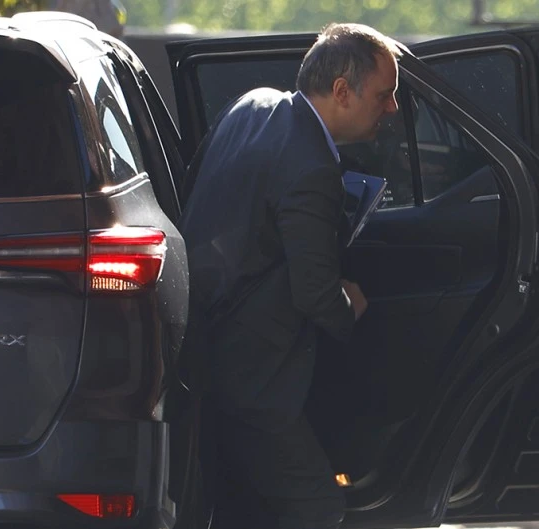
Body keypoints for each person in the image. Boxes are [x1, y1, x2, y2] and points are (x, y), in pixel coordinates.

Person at [178, 22, 401, 529]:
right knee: (316, 507)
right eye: (383, 95)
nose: (391, 108)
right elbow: (316, 293)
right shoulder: (313, 167)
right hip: (254, 381)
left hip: (203, 351)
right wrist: (351, 308)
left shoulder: (252, 106)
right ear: (342, 92)